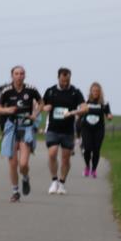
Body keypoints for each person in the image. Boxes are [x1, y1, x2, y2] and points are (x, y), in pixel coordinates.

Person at [0, 66, 42, 202]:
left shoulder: (31, 89)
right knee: (13, 163)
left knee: (23, 164)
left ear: (25, 76)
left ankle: (25, 178)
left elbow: (41, 102)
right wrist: (8, 110)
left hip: (26, 127)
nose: (19, 76)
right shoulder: (7, 91)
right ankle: (15, 191)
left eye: (22, 74)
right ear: (12, 76)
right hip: (11, 128)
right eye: (16, 74)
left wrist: (35, 114)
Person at [41, 67, 86, 195]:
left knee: (65, 159)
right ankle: (54, 180)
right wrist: (45, 107)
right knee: (52, 153)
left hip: (68, 131)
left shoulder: (75, 92)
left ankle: (62, 183)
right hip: (52, 129)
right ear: (58, 78)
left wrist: (73, 112)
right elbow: (41, 105)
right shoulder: (50, 91)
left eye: (67, 80)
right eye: (63, 80)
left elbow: (85, 108)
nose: (65, 83)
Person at [80, 82, 112, 178]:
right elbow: (80, 113)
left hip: (99, 129)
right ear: (91, 91)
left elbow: (108, 114)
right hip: (86, 128)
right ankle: (87, 166)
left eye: (97, 91)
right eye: (93, 91)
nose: (95, 93)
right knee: (87, 149)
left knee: (96, 150)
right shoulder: (85, 102)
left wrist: (109, 116)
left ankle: (94, 169)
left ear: (100, 92)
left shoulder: (104, 104)